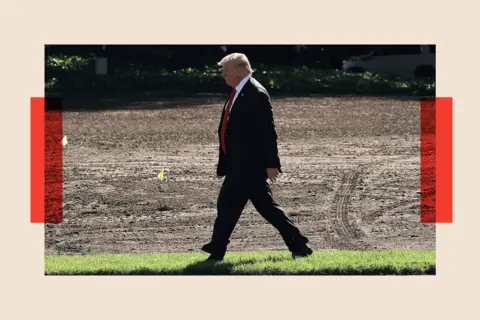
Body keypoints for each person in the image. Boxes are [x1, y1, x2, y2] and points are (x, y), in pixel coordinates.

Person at [201, 53, 313, 261]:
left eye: (226, 70)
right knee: (231, 207)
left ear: (240, 70)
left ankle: (298, 245)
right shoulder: (238, 92)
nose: (223, 74)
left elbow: (267, 132)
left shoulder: (255, 93)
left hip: (250, 166)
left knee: (259, 208)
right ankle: (217, 249)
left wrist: (271, 164)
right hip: (238, 165)